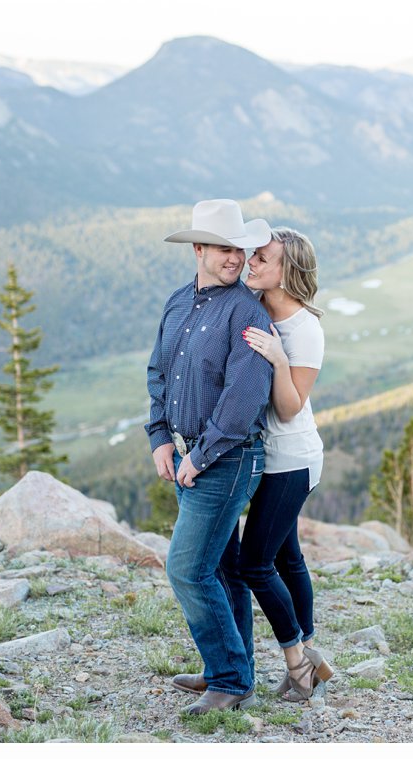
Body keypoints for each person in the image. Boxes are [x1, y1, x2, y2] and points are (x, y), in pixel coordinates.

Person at [146, 199, 274, 715]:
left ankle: (230, 679)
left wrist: (197, 458)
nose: (234, 259)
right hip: (185, 456)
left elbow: (243, 399)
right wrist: (158, 436)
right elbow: (160, 371)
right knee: (221, 572)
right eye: (223, 249)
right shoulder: (179, 302)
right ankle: (230, 667)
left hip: (225, 459)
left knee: (186, 569)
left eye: (239, 250)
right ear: (197, 249)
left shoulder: (247, 312)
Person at [229, 227, 333, 701]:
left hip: (291, 459)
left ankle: (298, 662)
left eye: (262, 258)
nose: (251, 262)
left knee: (255, 564)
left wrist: (276, 359)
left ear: (286, 270)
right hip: (267, 456)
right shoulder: (258, 305)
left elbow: (290, 408)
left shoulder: (304, 330)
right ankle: (310, 654)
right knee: (287, 558)